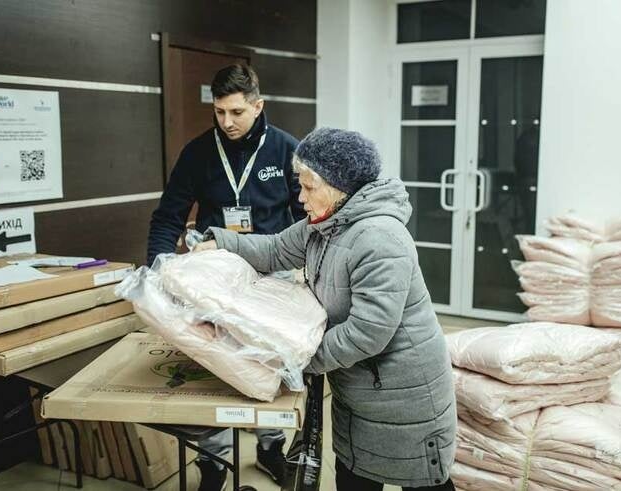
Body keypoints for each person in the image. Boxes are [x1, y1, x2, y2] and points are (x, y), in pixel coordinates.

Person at [196, 128, 457, 490]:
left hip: (403, 397)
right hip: (359, 388)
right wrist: (220, 243)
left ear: (338, 187)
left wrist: (295, 359)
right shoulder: (325, 225)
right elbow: (275, 250)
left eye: (309, 187)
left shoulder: (380, 238)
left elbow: (368, 332)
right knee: (354, 475)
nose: (300, 197)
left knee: (420, 482)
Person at [147, 63, 305, 491]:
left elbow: (306, 219)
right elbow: (168, 217)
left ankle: (270, 447)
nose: (227, 122)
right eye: (219, 112)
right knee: (214, 363)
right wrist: (159, 270)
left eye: (236, 112)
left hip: (272, 274)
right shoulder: (198, 153)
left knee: (267, 362)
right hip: (215, 277)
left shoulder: (286, 150)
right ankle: (213, 461)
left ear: (258, 105)